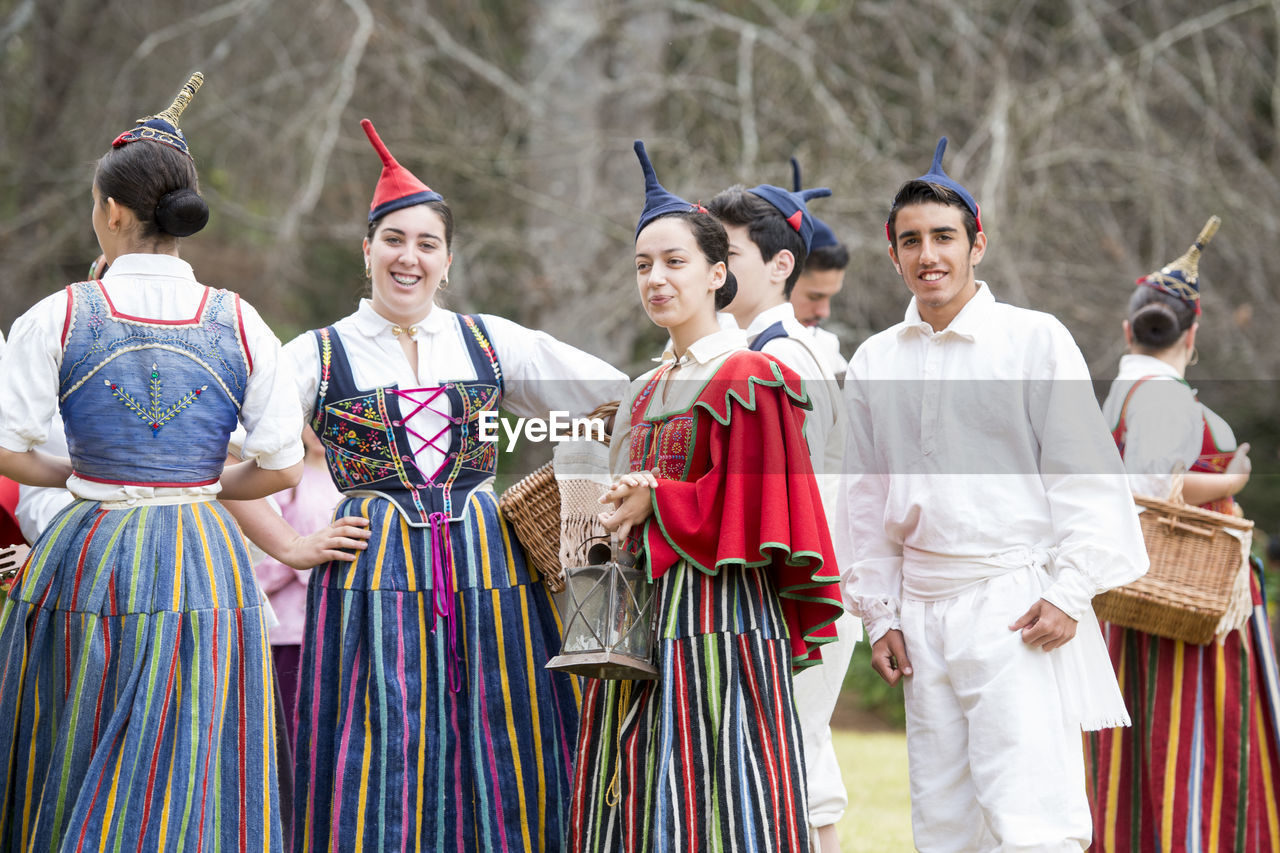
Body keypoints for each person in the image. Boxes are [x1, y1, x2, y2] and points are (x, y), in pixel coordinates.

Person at [230, 119, 627, 851]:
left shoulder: (487, 341)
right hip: (368, 582)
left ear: (447, 260)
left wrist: (577, 494)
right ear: (368, 249)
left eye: (427, 243)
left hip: (490, 579)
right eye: (394, 240)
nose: (408, 257)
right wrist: (293, 544)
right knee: (376, 756)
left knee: (510, 745)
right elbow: (229, 461)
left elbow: (620, 400)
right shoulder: (315, 355)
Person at [0, 72, 304, 851]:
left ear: (110, 212)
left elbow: (8, 446)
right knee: (201, 765)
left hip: (88, 554)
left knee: (71, 746)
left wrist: (73, 477)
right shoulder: (239, 321)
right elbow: (281, 467)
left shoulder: (59, 314)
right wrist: (204, 481)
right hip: (204, 562)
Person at [836, 136, 1150, 852]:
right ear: (892, 255)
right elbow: (864, 499)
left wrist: (1071, 593)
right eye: (910, 241)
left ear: (979, 243)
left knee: (1031, 811)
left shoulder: (1032, 340)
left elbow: (1083, 472)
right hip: (921, 610)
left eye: (944, 236)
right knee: (944, 819)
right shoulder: (877, 359)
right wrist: (880, 612)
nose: (928, 255)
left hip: (1014, 600)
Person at [569, 140, 843, 852]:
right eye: (642, 265)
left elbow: (762, 509)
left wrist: (657, 495)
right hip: (637, 621)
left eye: (675, 262)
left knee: (715, 798)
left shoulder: (749, 373)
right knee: (631, 788)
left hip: (719, 621)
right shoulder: (640, 390)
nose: (656, 278)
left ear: (719, 273)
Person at [1085, 217, 1280, 851]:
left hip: (1151, 591)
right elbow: (1143, 490)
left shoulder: (1123, 390)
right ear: (1192, 334)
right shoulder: (1162, 396)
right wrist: (1231, 481)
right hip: (1186, 595)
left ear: (1128, 329)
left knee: (1148, 734)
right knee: (1194, 736)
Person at [705, 168, 853, 850]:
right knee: (792, 758)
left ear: (780, 263)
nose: (712, 268)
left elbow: (805, 498)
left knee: (794, 761)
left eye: (727, 253)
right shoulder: (746, 355)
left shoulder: (783, 358)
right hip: (783, 588)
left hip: (798, 587)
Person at [787, 158, 850, 382]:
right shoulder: (717, 339)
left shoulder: (826, 347)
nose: (824, 312)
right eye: (815, 296)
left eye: (830, 297)